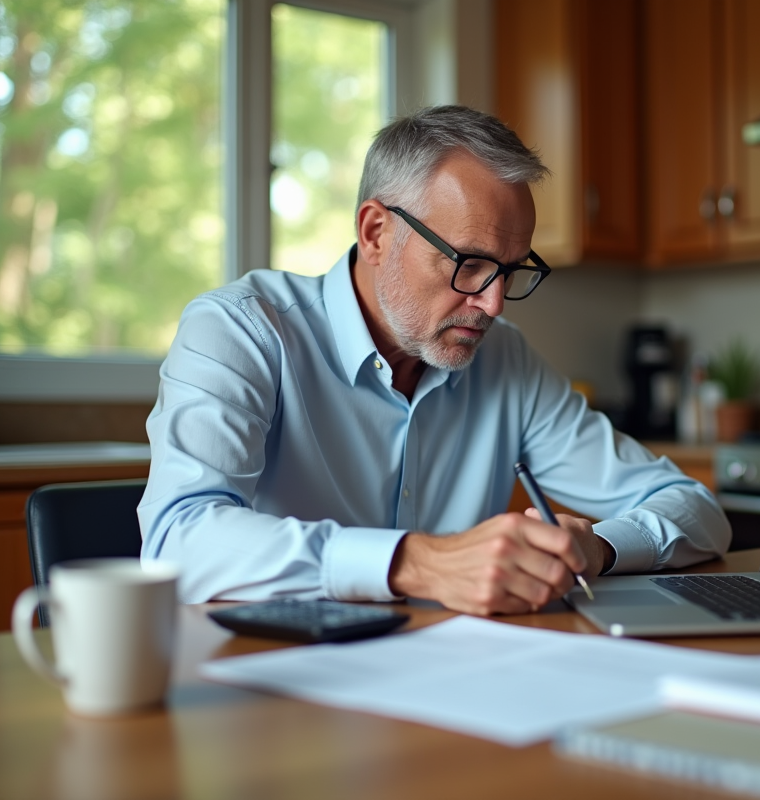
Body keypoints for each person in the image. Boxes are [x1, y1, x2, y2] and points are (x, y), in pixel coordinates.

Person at [139, 105, 730, 615]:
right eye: (468, 263)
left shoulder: (507, 362)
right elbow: (176, 541)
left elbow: (698, 510)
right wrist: (415, 563)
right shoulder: (242, 328)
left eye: (511, 269)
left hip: (449, 678)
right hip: (274, 685)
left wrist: (596, 548)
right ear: (375, 232)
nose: (493, 303)